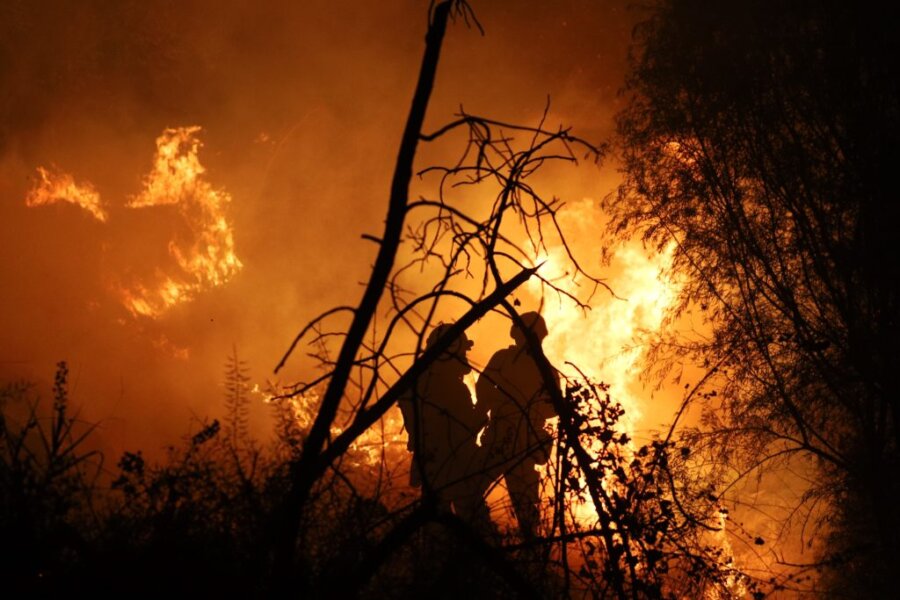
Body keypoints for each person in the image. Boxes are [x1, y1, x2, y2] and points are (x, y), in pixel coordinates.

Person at [475, 312, 558, 539]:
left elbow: (554, 407)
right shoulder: (542, 368)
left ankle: (489, 541)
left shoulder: (541, 368)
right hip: (509, 440)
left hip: (517, 442)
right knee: (472, 491)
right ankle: (486, 539)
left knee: (475, 491)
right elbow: (484, 389)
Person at [398, 323, 490, 526]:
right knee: (476, 526)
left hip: (431, 465)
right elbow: (464, 429)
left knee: (435, 526)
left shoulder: (418, 383)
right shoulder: (450, 387)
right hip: (458, 466)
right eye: (462, 351)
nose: (465, 356)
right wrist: (483, 411)